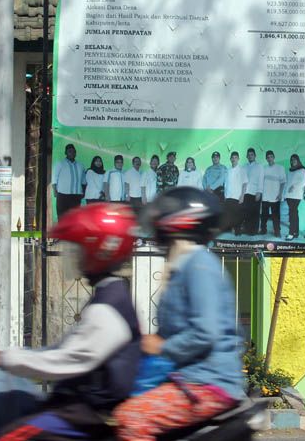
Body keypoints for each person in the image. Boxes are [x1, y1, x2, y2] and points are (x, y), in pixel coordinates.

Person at [0, 203, 142, 441]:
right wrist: (1, 355)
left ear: (100, 251)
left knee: (10, 436)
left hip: (87, 415)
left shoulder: (108, 309)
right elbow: (61, 351)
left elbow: (64, 360)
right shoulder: (109, 296)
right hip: (78, 406)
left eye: (79, 249)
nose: (74, 257)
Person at [114, 188, 245, 440]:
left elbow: (205, 332)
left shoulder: (199, 266)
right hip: (188, 375)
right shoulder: (183, 265)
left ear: (179, 222)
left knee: (131, 417)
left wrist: (162, 347)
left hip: (208, 382)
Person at [53, 144, 85, 217]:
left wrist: (83, 191)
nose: (72, 153)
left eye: (74, 151)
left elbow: (83, 180)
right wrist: (55, 191)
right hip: (63, 195)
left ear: (76, 153)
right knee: (62, 217)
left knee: (75, 217)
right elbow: (54, 178)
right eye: (70, 151)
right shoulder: (60, 164)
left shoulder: (81, 165)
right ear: (66, 153)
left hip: (76, 195)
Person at [260, 150, 286, 238]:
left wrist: (280, 194)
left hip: (275, 196)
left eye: (271, 156)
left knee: (276, 216)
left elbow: (283, 182)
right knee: (264, 215)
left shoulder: (280, 168)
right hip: (265, 196)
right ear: (266, 159)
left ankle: (277, 231)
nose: (269, 158)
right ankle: (263, 230)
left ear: (274, 157)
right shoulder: (264, 168)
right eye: (268, 157)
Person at [241, 148, 264, 236]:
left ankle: (254, 230)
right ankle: (247, 229)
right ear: (247, 156)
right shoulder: (244, 167)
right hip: (246, 192)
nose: (250, 156)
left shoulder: (259, 166)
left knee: (255, 213)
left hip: (255, 192)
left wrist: (259, 192)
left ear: (255, 156)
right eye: (249, 155)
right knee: (247, 212)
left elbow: (261, 180)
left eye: (252, 155)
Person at [284, 154, 305, 240]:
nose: (292, 161)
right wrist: (284, 194)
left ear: (298, 160)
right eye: (291, 160)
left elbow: (304, 182)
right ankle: (295, 232)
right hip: (289, 195)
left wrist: (294, 186)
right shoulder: (289, 170)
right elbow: (287, 183)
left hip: (297, 195)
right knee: (294, 213)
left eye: (294, 159)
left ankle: (291, 233)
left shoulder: (302, 170)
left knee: (292, 213)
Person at [223, 152, 246, 233]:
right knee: (229, 214)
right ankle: (231, 228)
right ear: (230, 159)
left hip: (237, 196)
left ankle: (237, 230)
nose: (233, 159)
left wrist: (242, 195)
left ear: (238, 159)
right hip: (228, 195)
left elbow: (244, 183)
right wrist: (225, 195)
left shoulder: (242, 169)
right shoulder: (228, 170)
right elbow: (226, 184)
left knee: (237, 214)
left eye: (235, 157)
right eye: (232, 157)